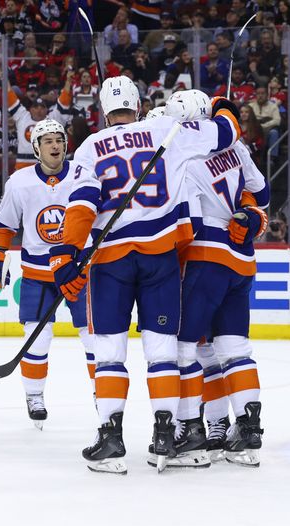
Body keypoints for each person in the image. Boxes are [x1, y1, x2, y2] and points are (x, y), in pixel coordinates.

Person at [52, 75, 243, 474]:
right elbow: (228, 133)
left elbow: (84, 203)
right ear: (139, 104)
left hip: (111, 261)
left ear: (103, 111)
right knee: (162, 352)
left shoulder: (89, 146)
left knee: (109, 352)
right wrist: (222, 104)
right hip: (160, 258)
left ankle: (111, 440)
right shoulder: (166, 129)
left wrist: (67, 254)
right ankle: (164, 436)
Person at [163, 90, 269, 467]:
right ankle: (246, 429)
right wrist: (251, 218)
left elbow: (186, 223)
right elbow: (262, 194)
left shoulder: (183, 156)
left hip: (204, 259)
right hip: (241, 260)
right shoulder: (236, 147)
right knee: (233, 349)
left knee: (184, 348)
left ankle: (188, 431)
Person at [0, 119, 95, 429]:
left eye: (59, 139)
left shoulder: (84, 175)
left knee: (94, 339)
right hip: (37, 273)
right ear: (36, 148)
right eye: (48, 141)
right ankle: (34, 395)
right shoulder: (19, 182)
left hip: (78, 270)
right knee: (37, 339)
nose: (55, 145)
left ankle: (104, 392)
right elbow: (4, 225)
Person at [7, 73, 73, 170]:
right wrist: (5, 79)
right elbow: (10, 96)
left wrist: (68, 81)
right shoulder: (22, 117)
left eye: (42, 107)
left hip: (47, 167)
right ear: (30, 109)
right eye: (35, 107)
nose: (39, 110)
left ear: (47, 110)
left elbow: (64, 101)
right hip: (22, 167)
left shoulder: (53, 120)